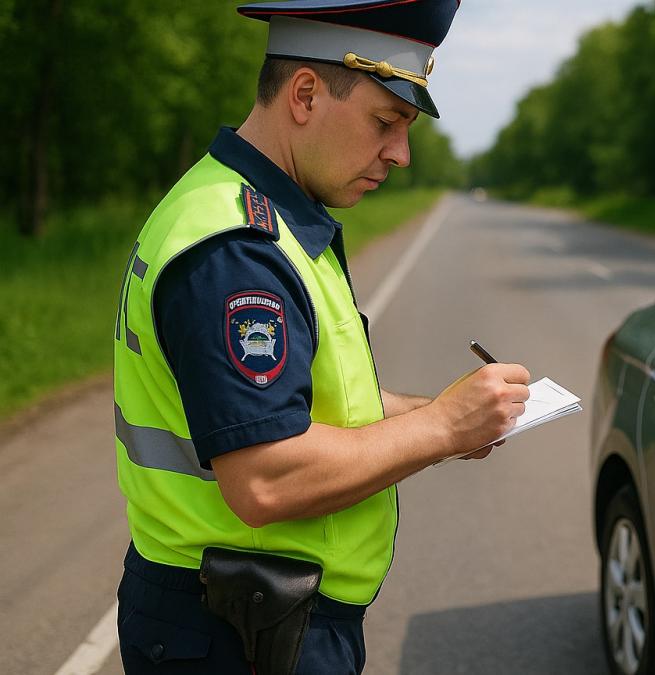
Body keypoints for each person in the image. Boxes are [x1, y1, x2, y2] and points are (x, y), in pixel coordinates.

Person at [111, 1, 531, 673]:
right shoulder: (237, 250)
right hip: (234, 631)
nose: (401, 152)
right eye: (386, 121)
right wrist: (444, 429)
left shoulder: (265, 212)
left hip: (252, 615)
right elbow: (266, 481)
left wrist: (445, 411)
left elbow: (303, 404)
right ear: (305, 94)